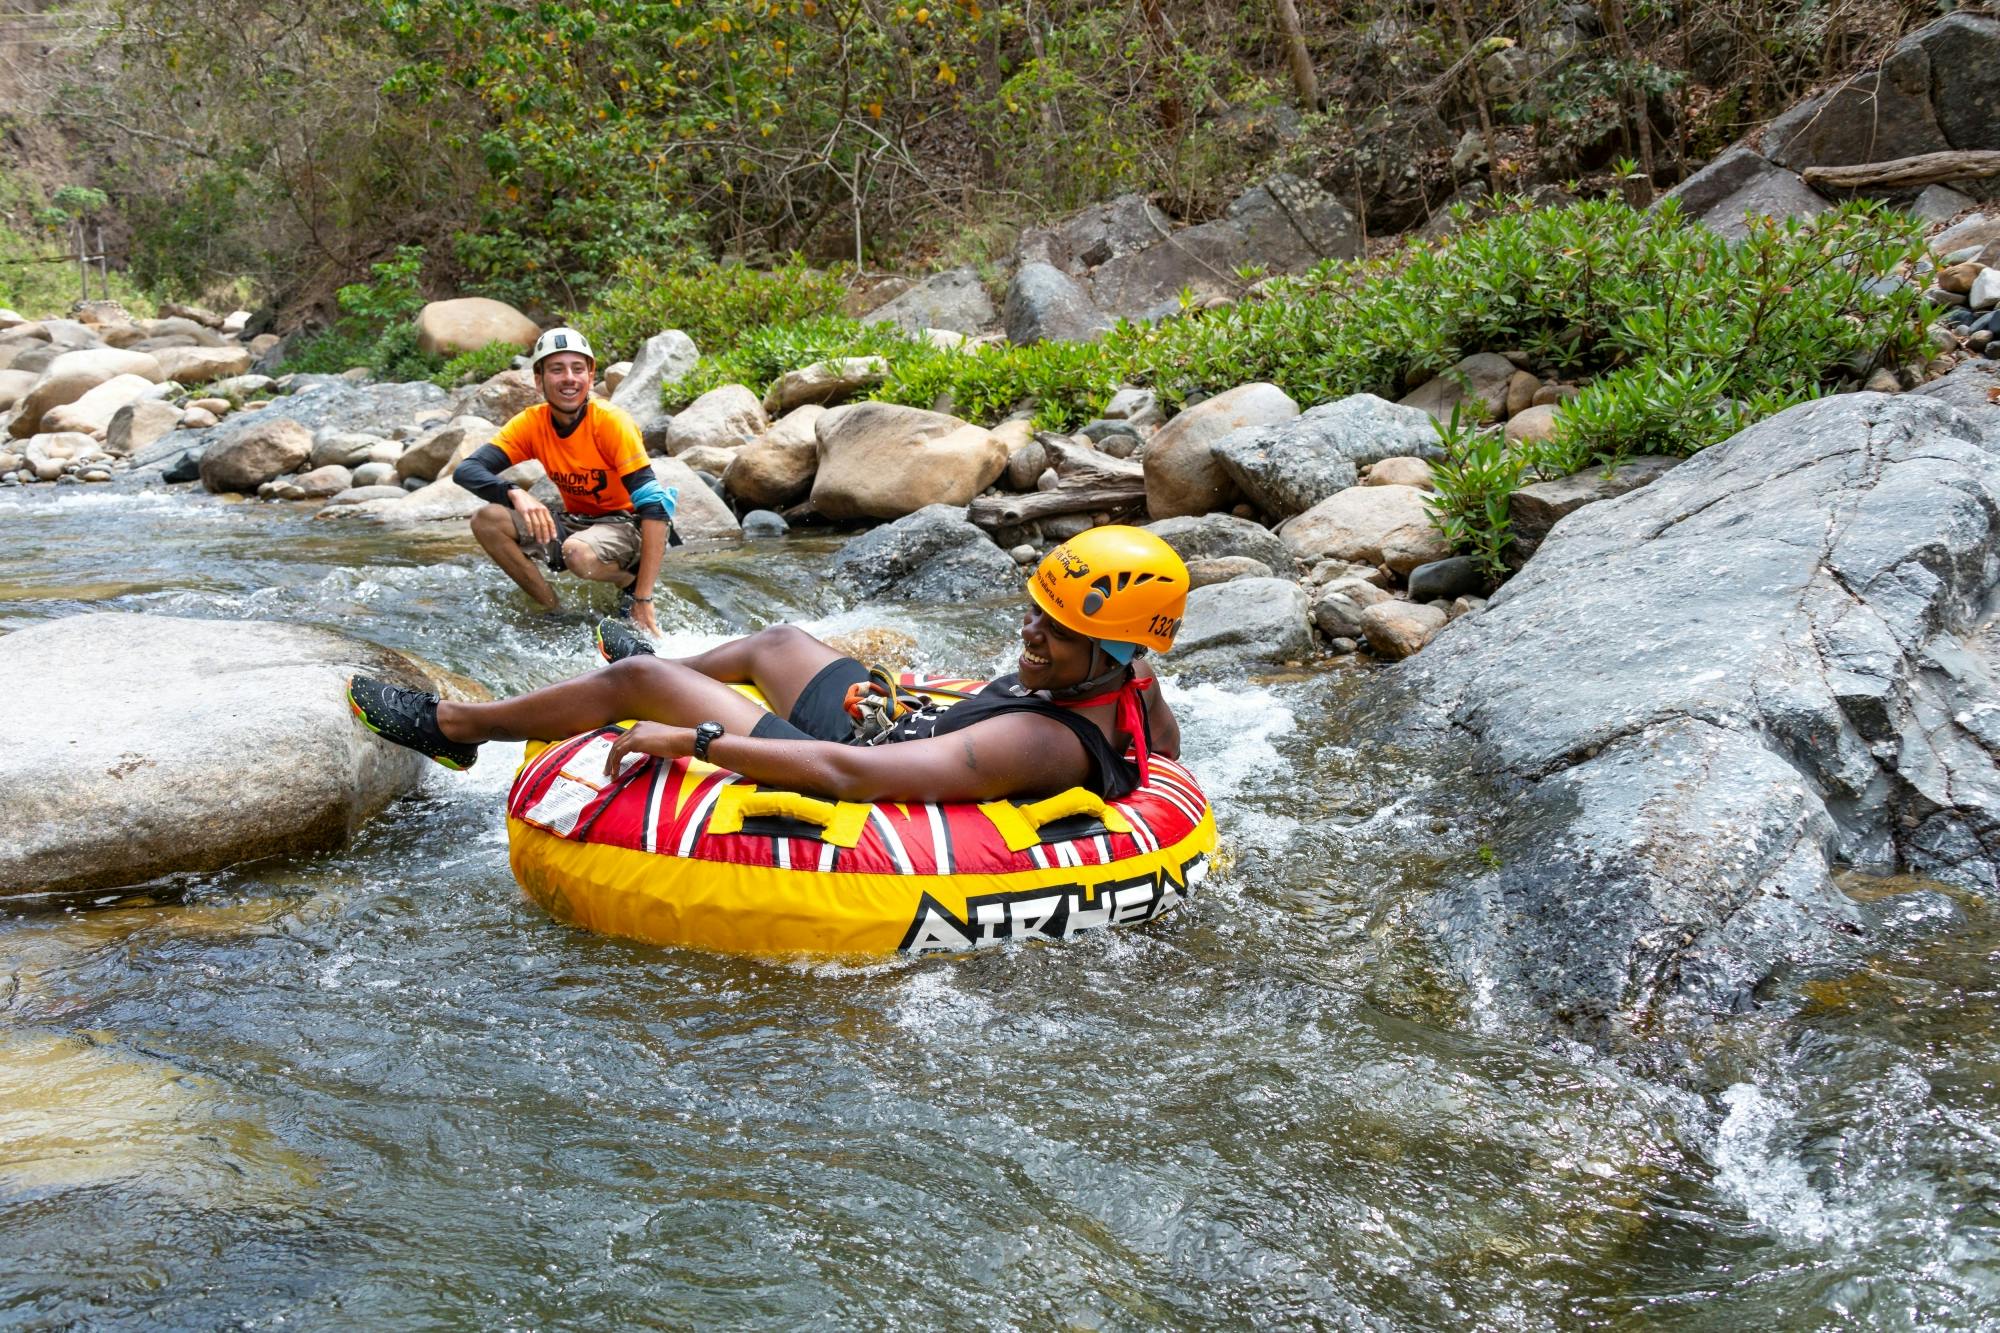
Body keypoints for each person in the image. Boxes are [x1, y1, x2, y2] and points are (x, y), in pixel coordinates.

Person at [347, 525, 1188, 803]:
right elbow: (1162, 752)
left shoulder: (1047, 745)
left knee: (642, 689)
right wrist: (900, 698)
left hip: (859, 762)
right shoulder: (1128, 684)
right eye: (1035, 616)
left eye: (1054, 634)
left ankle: (459, 729)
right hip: (893, 728)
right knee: (781, 640)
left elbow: (847, 776)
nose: (1030, 638)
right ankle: (661, 653)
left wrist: (698, 740)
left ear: (1106, 652)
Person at [453, 326, 678, 635]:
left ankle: (628, 580)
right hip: (578, 521)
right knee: (487, 520)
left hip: (628, 526)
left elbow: (654, 504)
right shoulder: (532, 423)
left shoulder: (611, 422)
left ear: (590, 375)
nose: (569, 378)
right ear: (539, 379)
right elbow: (467, 470)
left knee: (578, 552)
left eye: (578, 369)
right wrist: (514, 492)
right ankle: (555, 612)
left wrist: (643, 596)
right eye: (557, 370)